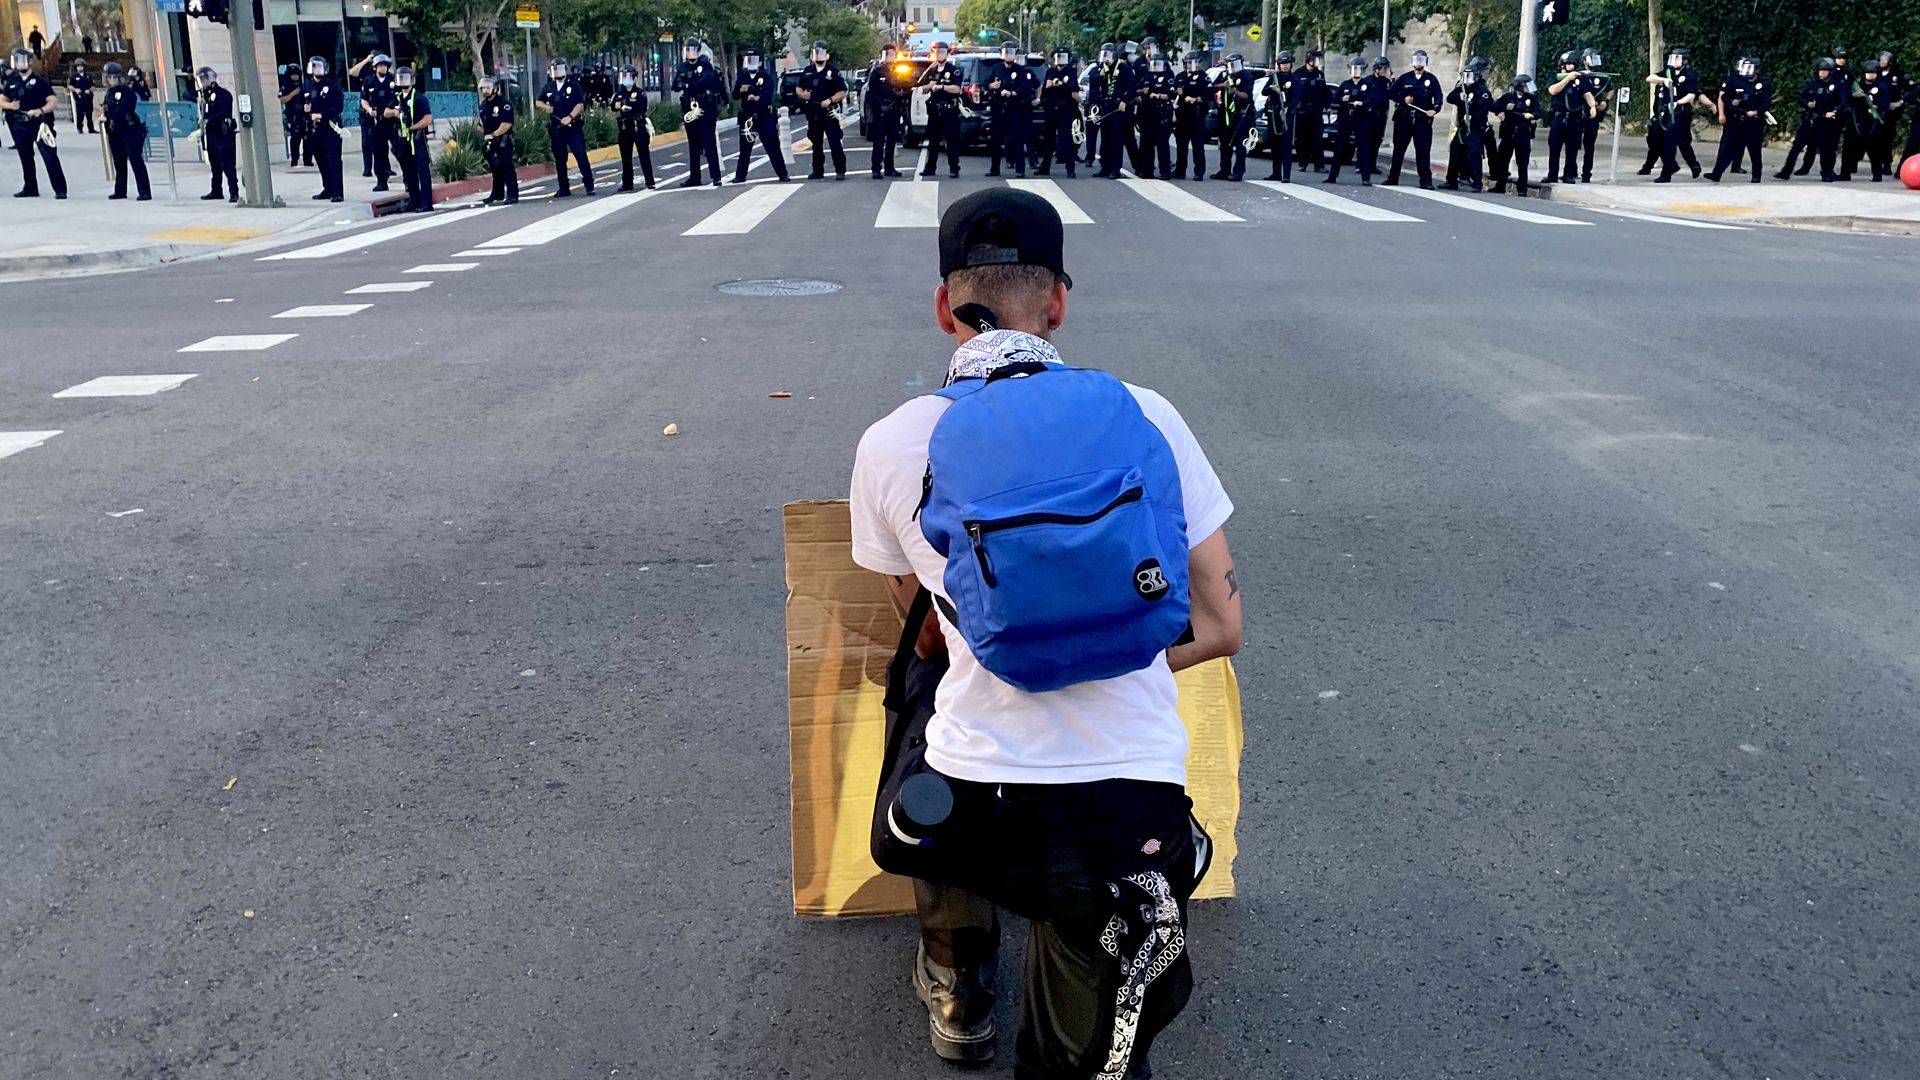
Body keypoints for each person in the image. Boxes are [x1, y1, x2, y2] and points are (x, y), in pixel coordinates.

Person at [851, 186, 1241, 1080]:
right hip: (1128, 820)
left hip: (966, 816)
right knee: (1086, 1047)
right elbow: (1221, 624)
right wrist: (1104, 648)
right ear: (1058, 303)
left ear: (947, 306)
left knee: (918, 689)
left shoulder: (894, 441)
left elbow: (923, 629)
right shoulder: (1147, 414)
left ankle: (958, 974)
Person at [2, 48, 67, 198]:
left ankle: (60, 189)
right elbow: (2, 99)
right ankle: (30, 187)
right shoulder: (12, 82)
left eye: (23, 60)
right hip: (20, 124)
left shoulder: (40, 82)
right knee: (25, 157)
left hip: (40, 124)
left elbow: (53, 101)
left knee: (49, 155)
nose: (21, 64)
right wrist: (11, 106)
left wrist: (40, 110)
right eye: (18, 61)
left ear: (30, 62)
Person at [1705, 55, 1769, 183]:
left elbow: (1766, 102)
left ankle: (1756, 175)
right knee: (1727, 148)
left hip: (1753, 122)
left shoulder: (1763, 84)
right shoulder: (1736, 81)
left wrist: (1756, 111)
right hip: (1735, 120)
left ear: (1756, 69)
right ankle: (1717, 173)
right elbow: (1724, 97)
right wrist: (1731, 103)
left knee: (1754, 150)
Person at [1384, 50, 1442, 188]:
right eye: (1416, 60)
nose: (1418, 63)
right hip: (1404, 119)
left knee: (1423, 151)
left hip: (1422, 120)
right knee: (1398, 150)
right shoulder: (1405, 78)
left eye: (1421, 61)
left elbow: (1439, 96)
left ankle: (1425, 181)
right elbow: (1391, 93)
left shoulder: (1431, 79)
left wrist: (1435, 109)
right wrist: (1403, 99)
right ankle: (1393, 178)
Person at [539, 59, 595, 196]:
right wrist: (547, 107)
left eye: (559, 69)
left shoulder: (573, 86)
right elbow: (538, 101)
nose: (556, 72)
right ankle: (563, 187)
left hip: (572, 127)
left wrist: (570, 117)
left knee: (580, 155)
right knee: (559, 158)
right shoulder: (549, 87)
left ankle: (589, 184)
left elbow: (580, 105)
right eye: (554, 69)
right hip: (557, 128)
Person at [674, 40, 725, 188]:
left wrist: (688, 83)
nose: (690, 52)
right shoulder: (682, 66)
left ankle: (716, 176)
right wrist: (689, 81)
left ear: (697, 51)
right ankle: (694, 177)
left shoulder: (705, 65)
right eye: (687, 50)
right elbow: (676, 85)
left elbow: (705, 81)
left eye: (692, 49)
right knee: (693, 144)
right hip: (689, 108)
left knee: (709, 142)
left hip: (705, 107)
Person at [733, 46, 788, 184]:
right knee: (744, 149)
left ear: (759, 62)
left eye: (754, 60)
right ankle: (740, 176)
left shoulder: (765, 76)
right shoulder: (742, 76)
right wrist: (742, 90)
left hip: (764, 116)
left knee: (773, 147)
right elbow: (735, 95)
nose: (751, 62)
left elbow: (767, 93)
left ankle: (783, 174)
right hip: (747, 116)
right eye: (749, 60)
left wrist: (752, 90)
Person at [1645, 48, 1701, 182]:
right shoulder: (1668, 72)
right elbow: (1650, 77)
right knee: (1656, 139)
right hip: (1664, 113)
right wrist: (1663, 80)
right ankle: (1674, 166)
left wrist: (1677, 103)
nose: (1674, 60)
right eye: (1673, 58)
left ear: (1684, 61)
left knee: (1678, 143)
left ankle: (1669, 173)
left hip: (1679, 113)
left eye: (1677, 58)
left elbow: (1691, 95)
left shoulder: (1689, 75)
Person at [984, 41, 1037, 178]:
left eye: (1011, 52)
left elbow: (1025, 88)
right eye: (1006, 52)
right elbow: (985, 84)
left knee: (1017, 140)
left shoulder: (1021, 70)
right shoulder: (997, 68)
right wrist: (992, 86)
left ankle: (1020, 170)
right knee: (996, 140)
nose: (1008, 55)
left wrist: (1012, 93)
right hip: (998, 108)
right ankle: (994, 168)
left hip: (1014, 109)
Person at [796, 41, 848, 181]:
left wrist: (830, 100)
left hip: (829, 112)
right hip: (813, 112)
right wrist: (802, 94)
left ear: (827, 55)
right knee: (816, 142)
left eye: (821, 53)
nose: (818, 56)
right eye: (816, 53)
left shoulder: (834, 72)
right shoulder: (807, 71)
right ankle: (817, 170)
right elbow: (799, 87)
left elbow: (842, 92)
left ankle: (840, 170)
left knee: (834, 141)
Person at [386, 65, 433, 211]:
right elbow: (386, 112)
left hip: (417, 139)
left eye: (406, 78)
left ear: (412, 80)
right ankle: (414, 201)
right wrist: (396, 113)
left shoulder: (419, 98)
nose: (403, 82)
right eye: (401, 78)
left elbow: (428, 118)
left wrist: (412, 127)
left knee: (422, 171)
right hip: (402, 140)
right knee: (408, 171)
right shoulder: (397, 97)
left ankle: (426, 203)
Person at [101, 63, 150, 200]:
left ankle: (144, 191)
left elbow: (124, 109)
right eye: (109, 77)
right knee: (119, 162)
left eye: (114, 77)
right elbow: (107, 108)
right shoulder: (109, 93)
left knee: (135, 160)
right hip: (115, 130)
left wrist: (108, 117)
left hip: (130, 130)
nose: (112, 80)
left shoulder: (128, 92)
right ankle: (120, 190)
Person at [916, 41, 964, 178]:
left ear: (947, 53)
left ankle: (954, 168)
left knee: (951, 141)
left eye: (942, 51)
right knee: (932, 141)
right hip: (934, 111)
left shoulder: (954, 70)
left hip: (949, 111)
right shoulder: (931, 70)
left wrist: (942, 87)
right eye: (937, 51)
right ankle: (930, 168)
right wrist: (929, 86)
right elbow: (922, 89)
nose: (939, 54)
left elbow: (956, 89)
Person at [1544, 51, 1593, 184]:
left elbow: (1587, 93)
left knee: (1572, 149)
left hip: (1574, 118)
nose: (1571, 66)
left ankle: (1568, 175)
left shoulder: (1581, 79)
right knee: (1554, 148)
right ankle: (1552, 175)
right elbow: (1553, 90)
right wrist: (1567, 79)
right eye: (1568, 64)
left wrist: (1592, 106)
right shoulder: (1556, 77)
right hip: (1558, 117)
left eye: (1573, 64)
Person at [1443, 61, 1492, 192]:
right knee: (1455, 152)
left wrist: (1473, 116)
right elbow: (1449, 98)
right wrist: (1459, 96)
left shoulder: (1481, 89)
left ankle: (1477, 182)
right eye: (1465, 77)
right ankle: (1451, 180)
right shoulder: (1462, 88)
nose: (1468, 80)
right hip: (1462, 127)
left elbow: (1485, 107)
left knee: (1474, 154)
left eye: (1470, 77)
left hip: (1475, 127)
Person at [1089, 42, 1135, 179]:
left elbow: (1132, 85)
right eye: (1103, 55)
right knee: (1105, 139)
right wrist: (1100, 76)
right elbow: (1094, 85)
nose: (1105, 58)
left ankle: (1116, 168)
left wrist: (1125, 101)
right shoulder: (1101, 68)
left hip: (1118, 106)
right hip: (1106, 105)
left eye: (1107, 54)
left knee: (1116, 139)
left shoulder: (1123, 67)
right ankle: (1105, 166)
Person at [302, 56, 344, 201]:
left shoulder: (331, 85)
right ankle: (328, 188)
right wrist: (305, 110)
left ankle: (338, 192)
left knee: (334, 160)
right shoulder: (307, 85)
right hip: (314, 129)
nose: (317, 70)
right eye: (315, 67)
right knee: (321, 159)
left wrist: (322, 115)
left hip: (330, 127)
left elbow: (338, 107)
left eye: (320, 67)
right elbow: (301, 105)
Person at [348, 52, 394, 184]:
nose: (383, 68)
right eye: (380, 65)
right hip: (373, 120)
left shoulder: (392, 80)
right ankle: (380, 179)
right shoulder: (369, 80)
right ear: (374, 67)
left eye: (385, 65)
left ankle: (400, 176)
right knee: (375, 148)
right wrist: (368, 109)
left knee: (397, 148)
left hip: (390, 120)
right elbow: (364, 99)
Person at [1035, 46, 1081, 178]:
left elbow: (1074, 87)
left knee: (1066, 139)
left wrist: (1061, 84)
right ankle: (1045, 166)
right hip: (1051, 110)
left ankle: (1070, 168)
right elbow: (1044, 92)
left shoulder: (1070, 72)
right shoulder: (1050, 72)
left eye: (1063, 57)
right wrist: (1048, 89)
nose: (1060, 59)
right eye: (1058, 57)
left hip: (1065, 110)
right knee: (1049, 140)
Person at [1491, 74, 1539, 195]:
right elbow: (1493, 106)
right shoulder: (1508, 97)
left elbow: (1539, 111)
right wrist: (1504, 108)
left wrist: (1532, 115)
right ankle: (1500, 185)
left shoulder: (1531, 99)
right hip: (1508, 132)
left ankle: (1522, 189)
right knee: (1503, 160)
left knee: (1522, 162)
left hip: (1523, 133)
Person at [196, 66, 238, 202]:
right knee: (215, 164)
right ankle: (216, 190)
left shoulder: (223, 94)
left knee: (228, 164)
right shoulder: (205, 96)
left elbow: (224, 112)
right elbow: (188, 95)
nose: (202, 82)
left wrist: (210, 120)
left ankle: (234, 192)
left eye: (203, 79)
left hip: (223, 133)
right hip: (211, 134)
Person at [1323, 57, 1368, 183]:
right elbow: (1334, 99)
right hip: (1345, 118)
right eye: (1353, 69)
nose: (1355, 71)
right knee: (1339, 148)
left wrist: (1362, 103)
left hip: (1360, 119)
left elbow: (1372, 101)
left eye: (1358, 69)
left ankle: (1366, 178)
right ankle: (1333, 176)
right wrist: (1342, 99)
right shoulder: (1345, 85)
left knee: (1363, 148)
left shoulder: (1367, 85)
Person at [867, 44, 907, 179]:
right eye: (888, 54)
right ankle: (876, 169)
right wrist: (879, 106)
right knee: (879, 141)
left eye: (893, 54)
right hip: (881, 111)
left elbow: (905, 86)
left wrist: (901, 94)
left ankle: (889, 168)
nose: (891, 56)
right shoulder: (877, 72)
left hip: (894, 110)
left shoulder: (899, 71)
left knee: (892, 141)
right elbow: (872, 93)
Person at [612, 65, 655, 190]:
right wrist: (620, 106)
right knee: (626, 157)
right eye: (623, 76)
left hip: (638, 126)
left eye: (627, 76)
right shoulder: (620, 93)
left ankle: (650, 181)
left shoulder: (640, 93)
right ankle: (627, 183)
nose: (625, 79)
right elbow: (613, 105)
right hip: (625, 128)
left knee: (644, 155)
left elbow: (642, 107)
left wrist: (629, 107)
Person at [1849, 64, 1894, 181]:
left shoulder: (1882, 86)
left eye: (1873, 72)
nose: (1870, 75)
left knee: (1874, 150)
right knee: (1854, 148)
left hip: (1874, 122)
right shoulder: (1859, 86)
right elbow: (1851, 102)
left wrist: (1877, 106)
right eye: (1868, 72)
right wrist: (1854, 96)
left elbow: (1886, 103)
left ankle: (1877, 175)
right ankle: (1849, 170)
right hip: (1859, 121)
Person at [1135, 50, 1175, 180]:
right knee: (1147, 144)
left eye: (1158, 64)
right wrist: (1143, 92)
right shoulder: (1147, 77)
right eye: (1154, 64)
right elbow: (1138, 90)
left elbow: (1171, 95)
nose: (1156, 67)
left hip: (1162, 114)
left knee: (1162, 144)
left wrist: (1156, 95)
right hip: (1148, 114)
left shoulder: (1168, 77)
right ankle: (1148, 170)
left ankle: (1165, 171)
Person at [1261, 51, 1300, 182]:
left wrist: (1288, 107)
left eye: (1286, 63)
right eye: (1282, 64)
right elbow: (1264, 92)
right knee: (1275, 145)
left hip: (1286, 116)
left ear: (1291, 64)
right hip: (1274, 115)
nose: (1284, 66)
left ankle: (1286, 175)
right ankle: (1275, 173)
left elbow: (1296, 97)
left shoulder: (1294, 79)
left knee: (1286, 145)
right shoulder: (1274, 77)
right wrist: (1272, 88)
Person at [478, 75, 517, 205]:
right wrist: (481, 130)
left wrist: (494, 134)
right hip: (491, 141)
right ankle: (497, 193)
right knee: (495, 168)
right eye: (483, 88)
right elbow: (481, 123)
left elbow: (507, 124)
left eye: (488, 87)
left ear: (495, 88)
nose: (485, 90)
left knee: (506, 166)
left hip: (503, 140)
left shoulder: (504, 104)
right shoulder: (483, 105)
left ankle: (512, 194)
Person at [1171, 52, 1208, 181]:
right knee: (1181, 145)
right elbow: (1173, 93)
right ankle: (1180, 170)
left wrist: (1195, 99)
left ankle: (1199, 171)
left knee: (1197, 145)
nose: (1190, 65)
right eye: (1188, 63)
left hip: (1197, 114)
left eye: (1193, 62)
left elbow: (1207, 95)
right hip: (1182, 115)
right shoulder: (1180, 77)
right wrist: (1178, 93)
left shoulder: (1203, 77)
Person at [1577, 48, 1610, 182]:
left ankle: (1586, 174)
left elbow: (1610, 89)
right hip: (1580, 112)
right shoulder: (1579, 74)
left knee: (1589, 145)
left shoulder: (1600, 76)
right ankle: (1571, 171)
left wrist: (1605, 102)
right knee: (1573, 144)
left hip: (1594, 114)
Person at [1295, 50, 1328, 171]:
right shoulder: (1299, 73)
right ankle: (1303, 163)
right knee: (1302, 139)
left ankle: (1319, 165)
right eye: (1316, 60)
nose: (1318, 63)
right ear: (1309, 60)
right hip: (1302, 112)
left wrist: (1328, 105)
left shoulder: (1320, 75)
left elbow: (1324, 91)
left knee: (1317, 139)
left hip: (1316, 111)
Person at [278, 64, 309, 168]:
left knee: (307, 138)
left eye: (297, 75)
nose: (295, 77)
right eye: (293, 75)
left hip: (304, 116)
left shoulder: (304, 86)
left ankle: (307, 159)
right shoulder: (286, 86)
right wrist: (293, 94)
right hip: (293, 116)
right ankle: (294, 159)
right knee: (295, 138)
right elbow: (282, 99)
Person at [69, 60, 95, 134]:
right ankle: (80, 128)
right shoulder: (74, 76)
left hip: (88, 97)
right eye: (78, 66)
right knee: (80, 114)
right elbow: (70, 86)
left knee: (89, 113)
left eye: (81, 66)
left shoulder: (88, 76)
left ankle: (91, 128)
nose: (80, 68)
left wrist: (89, 90)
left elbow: (93, 86)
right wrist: (75, 90)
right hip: (79, 97)